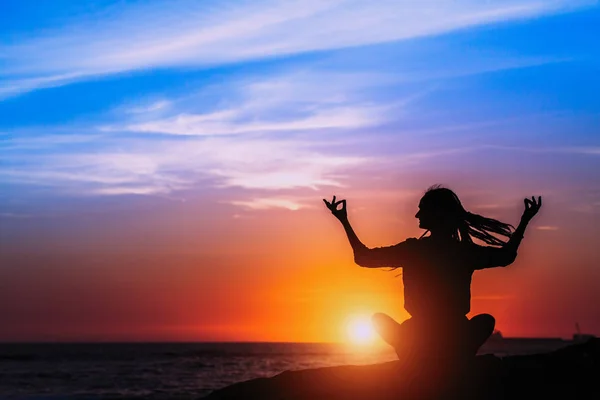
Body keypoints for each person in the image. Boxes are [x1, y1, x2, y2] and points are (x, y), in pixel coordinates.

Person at [324, 185, 541, 362]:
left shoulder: (414, 250)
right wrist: (524, 221)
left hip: (423, 334)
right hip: (450, 333)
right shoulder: (462, 251)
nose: (417, 214)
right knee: (485, 321)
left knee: (379, 320)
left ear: (437, 214)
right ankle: (455, 357)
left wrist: (344, 221)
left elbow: (363, 258)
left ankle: (418, 357)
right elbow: (506, 257)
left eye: (422, 209)